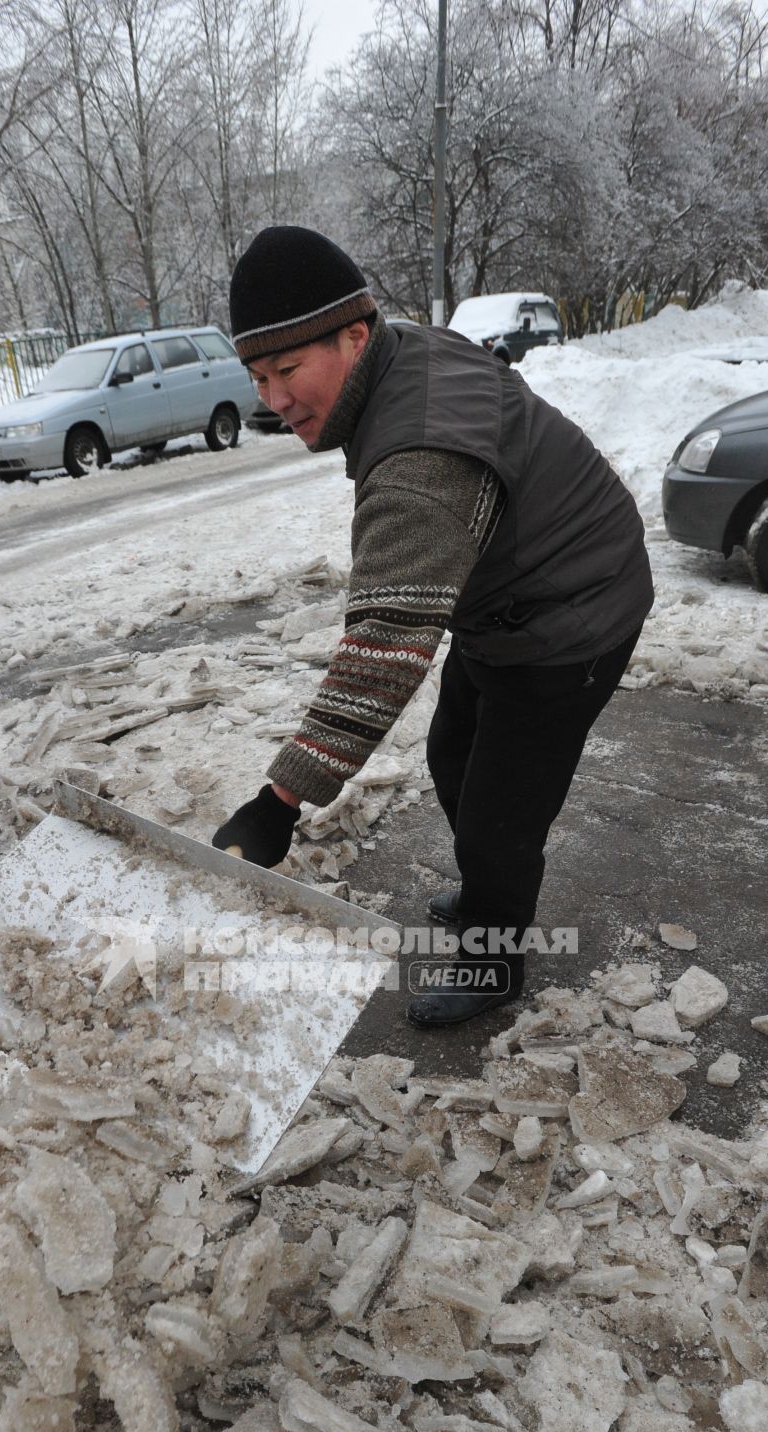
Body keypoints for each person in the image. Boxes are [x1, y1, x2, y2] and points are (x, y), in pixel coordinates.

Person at [212, 226, 654, 1027]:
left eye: (287, 370)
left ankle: (493, 959)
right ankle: (490, 889)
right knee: (454, 754)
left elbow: (382, 653)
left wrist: (278, 801)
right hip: (513, 593)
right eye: (257, 375)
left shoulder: (420, 458)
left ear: (354, 334)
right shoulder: (397, 357)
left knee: (498, 814)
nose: (273, 399)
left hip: (573, 612)